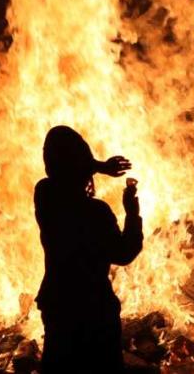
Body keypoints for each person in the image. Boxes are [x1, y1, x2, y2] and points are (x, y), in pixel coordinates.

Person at [34, 125, 143, 373]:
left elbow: (65, 163)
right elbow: (124, 253)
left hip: (58, 304)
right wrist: (132, 214)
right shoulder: (97, 213)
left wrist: (99, 166)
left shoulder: (45, 195)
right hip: (96, 310)